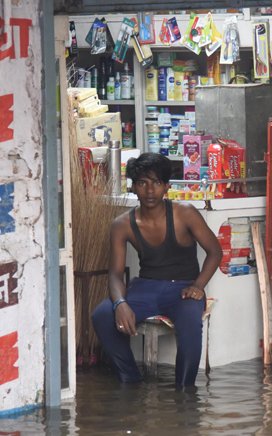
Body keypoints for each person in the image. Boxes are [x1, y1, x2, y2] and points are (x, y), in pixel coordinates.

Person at [92, 153, 223, 386]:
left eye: (157, 183)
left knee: (190, 325)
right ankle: (131, 381)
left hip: (184, 289)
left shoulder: (185, 213)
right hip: (145, 287)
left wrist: (198, 286)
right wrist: (120, 303)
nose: (150, 190)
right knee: (102, 315)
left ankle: (185, 392)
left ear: (167, 187)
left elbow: (215, 251)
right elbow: (115, 274)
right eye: (143, 183)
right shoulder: (122, 224)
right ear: (133, 187)